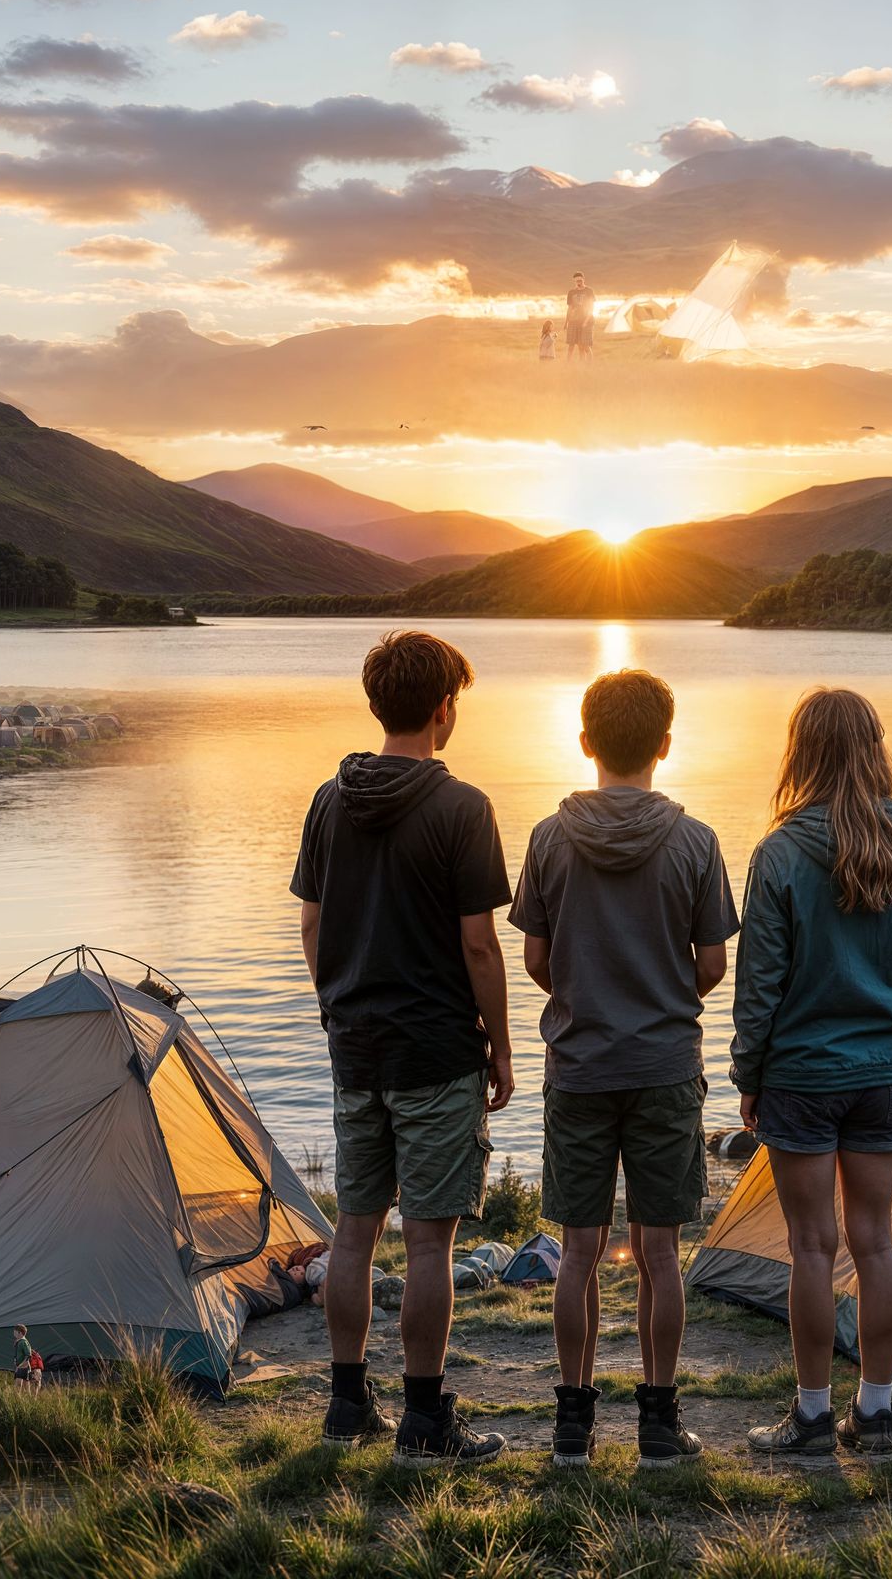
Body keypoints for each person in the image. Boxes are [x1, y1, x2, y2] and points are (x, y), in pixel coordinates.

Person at [292, 630, 513, 1463]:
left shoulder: (327, 799)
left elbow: (312, 923)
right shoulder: (463, 808)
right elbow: (480, 948)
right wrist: (498, 1045)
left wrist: (336, 1004)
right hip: (435, 1052)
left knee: (353, 1232)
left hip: (355, 1047)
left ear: (376, 702)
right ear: (445, 708)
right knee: (428, 1242)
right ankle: (425, 1421)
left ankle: (346, 1406)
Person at [510, 670, 739, 1470]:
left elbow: (536, 956)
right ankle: (658, 1423)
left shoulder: (547, 837)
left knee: (577, 1252)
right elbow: (712, 960)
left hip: (577, 1064)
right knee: (660, 1253)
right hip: (666, 1065)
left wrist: (582, 991)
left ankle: (572, 1424)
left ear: (585, 744)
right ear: (666, 746)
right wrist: (667, 989)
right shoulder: (697, 842)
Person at [733, 689, 892, 1458]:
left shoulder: (780, 853)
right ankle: (878, 1413)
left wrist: (747, 1073)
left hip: (800, 1075)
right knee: (875, 1242)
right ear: (874, 749)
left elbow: (759, 985)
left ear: (802, 753)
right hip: (878, 1073)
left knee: (812, 1247)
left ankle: (814, 1417)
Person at [565, 272, 595, 361]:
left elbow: (591, 307)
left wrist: (586, 321)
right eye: (577, 281)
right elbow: (569, 308)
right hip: (573, 321)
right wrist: (566, 322)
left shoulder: (589, 291)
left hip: (587, 321)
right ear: (574, 281)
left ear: (583, 279)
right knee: (572, 344)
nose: (579, 282)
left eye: (580, 280)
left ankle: (589, 366)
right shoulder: (571, 292)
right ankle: (568, 365)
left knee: (585, 345)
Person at [11, 1324, 40, 1390]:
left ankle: (18, 1399)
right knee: (25, 1386)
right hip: (20, 1367)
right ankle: (26, 1399)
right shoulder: (19, 1342)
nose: (13, 1333)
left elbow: (28, 1355)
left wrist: (20, 1365)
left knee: (19, 1386)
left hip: (23, 1367)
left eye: (15, 1332)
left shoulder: (24, 1342)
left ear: (19, 1332)